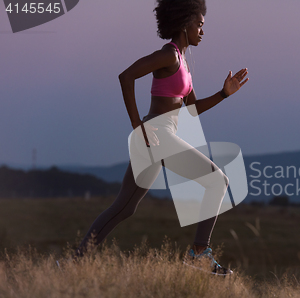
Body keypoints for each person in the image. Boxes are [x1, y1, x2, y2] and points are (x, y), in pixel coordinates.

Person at [72, 0, 248, 276]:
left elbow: (191, 110)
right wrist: (136, 124)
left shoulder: (183, 63)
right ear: (184, 22)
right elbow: (126, 76)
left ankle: (74, 263)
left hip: (156, 137)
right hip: (157, 134)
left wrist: (224, 93)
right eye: (199, 25)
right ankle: (199, 254)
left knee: (125, 207)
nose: (202, 31)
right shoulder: (169, 55)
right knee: (218, 181)